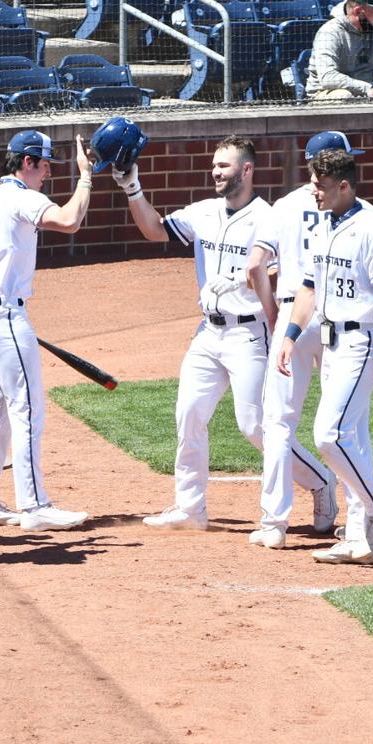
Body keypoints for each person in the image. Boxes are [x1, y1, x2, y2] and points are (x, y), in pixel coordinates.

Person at [244, 131, 373, 549]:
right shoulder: (334, 219)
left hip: (347, 331)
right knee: (347, 433)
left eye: (320, 181)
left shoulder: (360, 222)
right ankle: (364, 520)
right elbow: (312, 284)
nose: (313, 190)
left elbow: (257, 265)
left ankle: (279, 522)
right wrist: (289, 332)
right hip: (322, 324)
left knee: (302, 426)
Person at [113, 133, 276, 531]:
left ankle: (318, 482)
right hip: (209, 333)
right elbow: (154, 229)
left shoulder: (269, 219)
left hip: (250, 334)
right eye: (215, 165)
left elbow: (284, 274)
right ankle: (189, 508)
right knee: (189, 414)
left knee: (253, 426)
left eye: (224, 165)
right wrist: (132, 187)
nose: (215, 171)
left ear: (247, 169)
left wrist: (245, 280)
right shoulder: (203, 212)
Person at [0, 130, 93, 532]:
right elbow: (69, 221)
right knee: (27, 411)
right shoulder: (20, 197)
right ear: (27, 162)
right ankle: (34, 507)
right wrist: (86, 177)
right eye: (46, 163)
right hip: (3, 319)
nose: (50, 171)